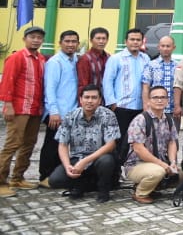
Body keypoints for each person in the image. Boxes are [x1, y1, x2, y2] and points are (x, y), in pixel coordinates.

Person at [48, 85, 120, 202]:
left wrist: (85, 161)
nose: (90, 101)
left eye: (94, 97)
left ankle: (103, 190)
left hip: (99, 159)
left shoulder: (108, 115)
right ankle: (81, 185)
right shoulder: (70, 116)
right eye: (86, 97)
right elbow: (62, 144)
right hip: (77, 158)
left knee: (106, 161)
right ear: (81, 99)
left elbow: (111, 145)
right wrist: (67, 166)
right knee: (55, 180)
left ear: (100, 100)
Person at [0, 25, 47, 197]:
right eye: (32, 37)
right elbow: (8, 81)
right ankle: (1, 181)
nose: (36, 40)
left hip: (35, 108)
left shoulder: (41, 59)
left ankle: (17, 177)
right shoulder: (17, 57)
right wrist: (8, 104)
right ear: (25, 39)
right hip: (19, 108)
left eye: (39, 38)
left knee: (29, 144)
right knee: (12, 144)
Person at [124, 86, 179, 204]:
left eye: (163, 97)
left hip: (161, 162)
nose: (159, 100)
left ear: (167, 100)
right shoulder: (140, 120)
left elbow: (172, 142)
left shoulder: (169, 119)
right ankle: (140, 193)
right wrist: (162, 165)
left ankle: (155, 186)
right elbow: (138, 149)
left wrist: (173, 162)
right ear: (148, 100)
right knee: (158, 172)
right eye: (155, 97)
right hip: (136, 165)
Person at [102, 27, 150, 163]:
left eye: (138, 40)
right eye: (132, 39)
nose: (135, 42)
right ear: (126, 41)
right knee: (119, 140)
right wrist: (112, 103)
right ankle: (116, 170)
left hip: (140, 108)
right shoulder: (116, 59)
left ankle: (133, 168)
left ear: (142, 42)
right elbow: (107, 81)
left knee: (137, 141)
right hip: (121, 107)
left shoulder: (145, 58)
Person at [40, 30, 80, 186]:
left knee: (63, 145)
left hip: (71, 112)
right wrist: (54, 111)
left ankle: (58, 176)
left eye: (74, 41)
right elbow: (49, 89)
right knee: (52, 145)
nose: (71, 44)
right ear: (60, 43)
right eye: (67, 41)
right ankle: (45, 176)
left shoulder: (75, 60)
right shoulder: (55, 62)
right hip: (57, 113)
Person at [141, 35, 179, 129]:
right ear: (158, 47)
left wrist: (178, 106)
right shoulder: (151, 65)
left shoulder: (178, 66)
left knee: (173, 135)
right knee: (154, 135)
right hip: (155, 109)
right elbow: (146, 86)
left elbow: (179, 87)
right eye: (163, 46)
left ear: (173, 47)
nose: (165, 48)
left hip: (172, 110)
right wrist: (146, 105)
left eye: (168, 46)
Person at [76, 27, 110, 97]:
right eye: (98, 38)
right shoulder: (85, 59)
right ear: (91, 40)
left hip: (106, 98)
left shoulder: (109, 57)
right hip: (91, 98)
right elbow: (83, 83)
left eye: (104, 38)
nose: (101, 41)